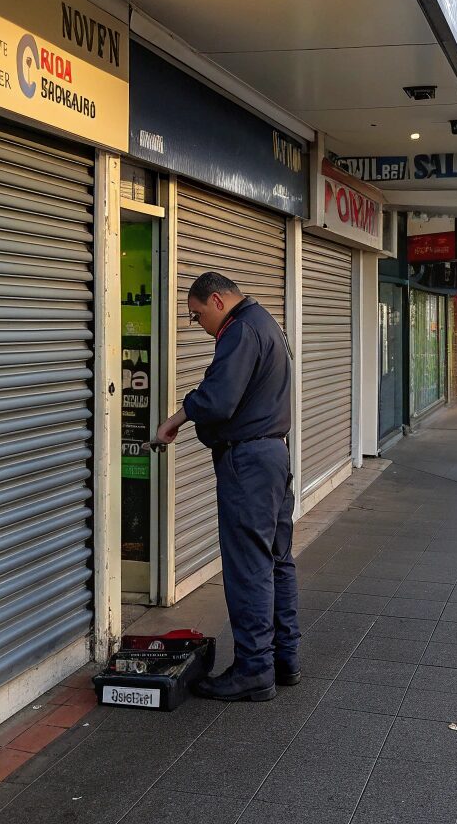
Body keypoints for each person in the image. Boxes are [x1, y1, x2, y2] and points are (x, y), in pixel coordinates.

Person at [153, 272, 299, 702]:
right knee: (277, 559)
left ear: (217, 300)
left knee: (248, 566)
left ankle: (255, 670)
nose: (199, 324)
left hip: (248, 463)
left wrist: (177, 418)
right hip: (273, 455)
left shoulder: (240, 331)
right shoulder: (267, 323)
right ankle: (284, 658)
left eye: (197, 316)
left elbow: (218, 400)